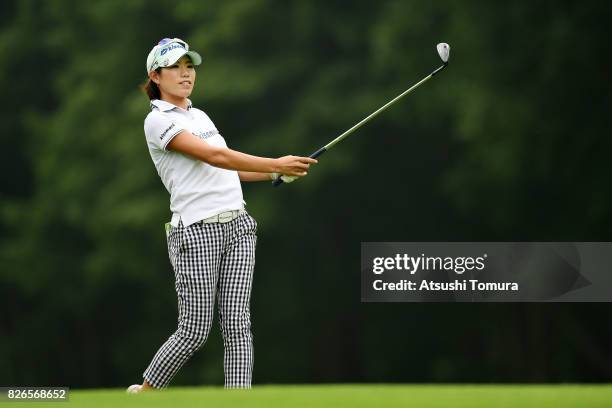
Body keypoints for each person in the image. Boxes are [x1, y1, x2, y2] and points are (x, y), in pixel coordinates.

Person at [127, 38, 316, 393]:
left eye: (190, 67)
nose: (186, 74)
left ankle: (237, 400)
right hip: (195, 233)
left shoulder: (198, 116)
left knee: (237, 324)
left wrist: (275, 173)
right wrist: (275, 162)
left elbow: (229, 168)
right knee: (194, 330)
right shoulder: (157, 122)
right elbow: (215, 157)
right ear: (156, 75)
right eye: (176, 68)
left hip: (238, 226)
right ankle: (146, 392)